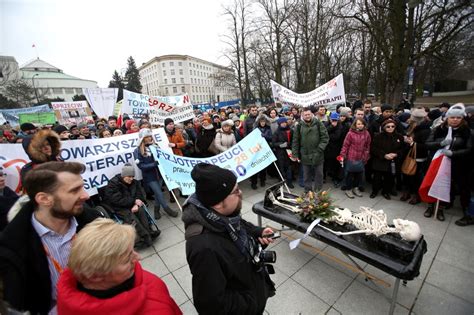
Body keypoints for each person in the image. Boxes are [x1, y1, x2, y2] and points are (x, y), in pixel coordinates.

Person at [0, 161, 98, 314]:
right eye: (74, 190)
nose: (85, 195)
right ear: (44, 199)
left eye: (83, 186)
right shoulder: (11, 249)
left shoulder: (95, 223)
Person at [182, 163, 276, 314]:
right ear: (219, 203)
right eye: (236, 191)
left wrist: (258, 232)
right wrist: (252, 302)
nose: (241, 194)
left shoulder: (221, 216)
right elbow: (211, 305)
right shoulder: (204, 248)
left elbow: (240, 224)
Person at [57, 218, 182, 315]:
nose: (138, 258)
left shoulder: (129, 274)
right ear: (95, 276)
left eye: (132, 250)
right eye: (127, 258)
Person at [425, 103, 473, 224]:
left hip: (459, 165)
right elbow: (428, 144)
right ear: (447, 118)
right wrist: (440, 143)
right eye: (452, 117)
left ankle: (443, 208)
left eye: (458, 117)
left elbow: (470, 149)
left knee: (453, 187)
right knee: (434, 183)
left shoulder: (467, 132)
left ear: (462, 119)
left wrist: (453, 153)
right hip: (437, 163)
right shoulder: (438, 130)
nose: (455, 120)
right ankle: (431, 206)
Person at [102, 163, 160, 248]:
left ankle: (149, 231)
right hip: (118, 207)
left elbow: (140, 194)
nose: (131, 179)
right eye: (129, 177)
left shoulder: (135, 183)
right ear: (123, 175)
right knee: (130, 216)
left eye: (132, 176)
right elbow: (116, 200)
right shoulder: (113, 184)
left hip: (131, 204)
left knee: (141, 210)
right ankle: (145, 236)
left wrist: (136, 204)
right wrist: (134, 201)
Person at [134, 128, 178, 219]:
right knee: (159, 193)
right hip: (149, 177)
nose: (150, 138)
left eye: (150, 136)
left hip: (159, 174)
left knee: (158, 194)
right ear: (143, 138)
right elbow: (141, 166)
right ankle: (167, 209)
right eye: (147, 137)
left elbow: (161, 157)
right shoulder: (138, 150)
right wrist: (154, 164)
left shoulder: (155, 146)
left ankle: (156, 210)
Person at [292, 107, 329, 192]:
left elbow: (325, 138)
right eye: (305, 115)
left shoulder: (318, 123)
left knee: (319, 174)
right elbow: (295, 141)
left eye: (309, 114)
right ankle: (308, 191)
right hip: (305, 154)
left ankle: (318, 191)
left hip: (318, 154)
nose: (307, 116)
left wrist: (320, 149)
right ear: (302, 115)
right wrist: (295, 154)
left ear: (312, 114)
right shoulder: (299, 126)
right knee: (306, 175)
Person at [370, 119, 404, 200]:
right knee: (377, 178)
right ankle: (374, 191)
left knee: (389, 178)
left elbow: (402, 149)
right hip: (380, 160)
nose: (390, 128)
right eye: (388, 126)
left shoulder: (399, 136)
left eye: (392, 126)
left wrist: (396, 154)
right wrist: (384, 155)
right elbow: (373, 148)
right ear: (384, 127)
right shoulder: (378, 136)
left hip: (392, 161)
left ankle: (385, 192)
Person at [339, 118, 371, 198]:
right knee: (350, 174)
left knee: (359, 174)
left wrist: (366, 155)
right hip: (351, 156)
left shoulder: (366, 133)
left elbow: (367, 146)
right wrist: (343, 155)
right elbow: (345, 145)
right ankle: (348, 189)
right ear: (355, 125)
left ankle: (355, 188)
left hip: (361, 157)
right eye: (358, 124)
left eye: (362, 124)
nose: (360, 125)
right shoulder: (350, 133)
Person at [272, 117, 294, 188]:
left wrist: (289, 144)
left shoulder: (290, 130)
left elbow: (294, 140)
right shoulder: (276, 132)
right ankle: (281, 181)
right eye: (282, 123)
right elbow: (273, 143)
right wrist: (280, 145)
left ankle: (289, 181)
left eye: (285, 122)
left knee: (289, 167)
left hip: (289, 152)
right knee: (281, 167)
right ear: (279, 124)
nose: (284, 124)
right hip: (280, 152)